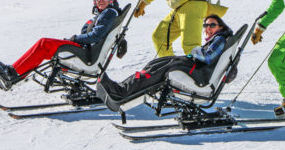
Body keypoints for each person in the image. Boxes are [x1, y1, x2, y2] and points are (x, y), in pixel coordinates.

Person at [0, 0, 125, 91]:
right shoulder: (105, 14)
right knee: (45, 48)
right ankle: (15, 72)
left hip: (86, 55)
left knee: (44, 44)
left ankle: (13, 73)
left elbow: (96, 36)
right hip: (86, 52)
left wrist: (74, 39)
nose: (100, 0)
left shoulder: (109, 13)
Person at [97, 15, 232, 105]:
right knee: (155, 64)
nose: (207, 28)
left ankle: (121, 92)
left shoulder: (219, 39)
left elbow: (207, 57)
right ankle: (121, 87)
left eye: (212, 25)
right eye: (205, 25)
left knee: (160, 71)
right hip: (194, 68)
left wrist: (195, 49)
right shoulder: (219, 39)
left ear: (221, 27)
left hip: (198, 75)